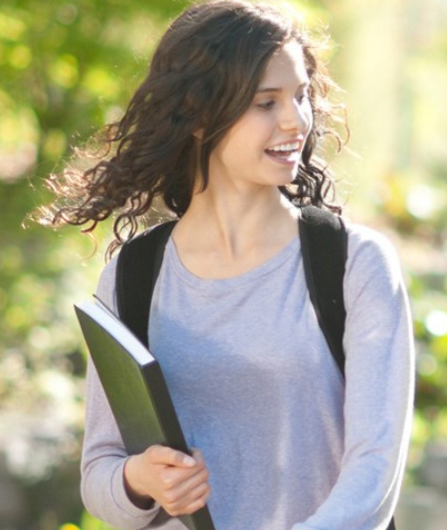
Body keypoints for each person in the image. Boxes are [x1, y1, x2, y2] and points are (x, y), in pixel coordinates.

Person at [38, 1, 413, 528]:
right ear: (196, 114)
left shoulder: (354, 264)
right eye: (266, 102)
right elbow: (101, 472)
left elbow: (374, 473)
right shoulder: (133, 275)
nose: (295, 120)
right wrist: (141, 479)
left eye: (301, 96)